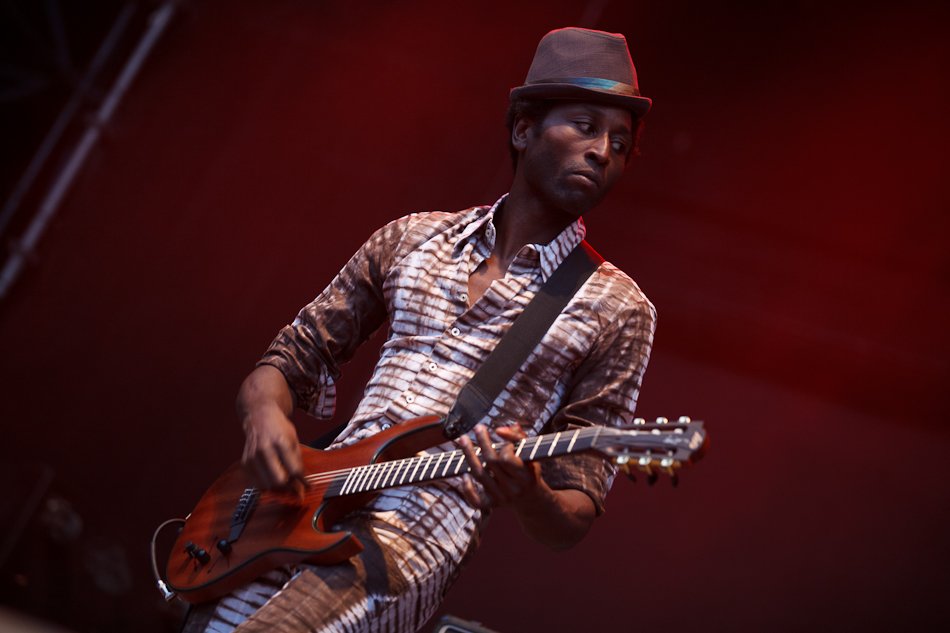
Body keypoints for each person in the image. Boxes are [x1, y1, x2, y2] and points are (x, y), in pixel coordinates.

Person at [183, 26, 656, 633]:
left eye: (620, 143)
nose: (603, 152)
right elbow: (287, 361)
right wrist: (265, 420)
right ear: (523, 129)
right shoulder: (414, 237)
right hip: (301, 501)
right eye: (586, 126)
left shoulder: (617, 307)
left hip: (417, 534)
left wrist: (528, 490)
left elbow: (573, 513)